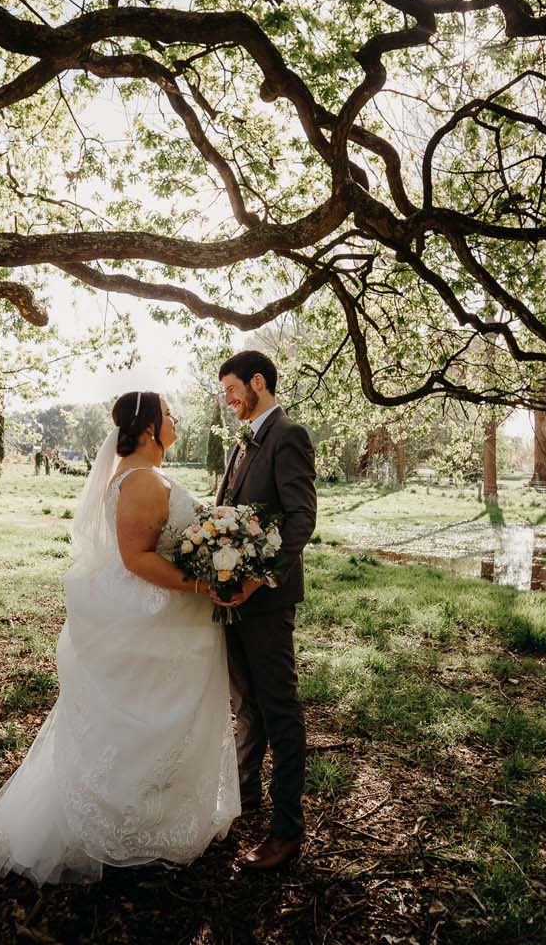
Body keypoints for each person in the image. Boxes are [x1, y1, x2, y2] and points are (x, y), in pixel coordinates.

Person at [0, 392, 239, 884]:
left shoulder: (144, 475)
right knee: (144, 721)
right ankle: (126, 824)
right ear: (151, 428)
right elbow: (136, 558)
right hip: (154, 620)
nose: (177, 418)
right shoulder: (139, 480)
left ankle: (155, 813)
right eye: (170, 413)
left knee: (161, 722)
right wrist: (206, 584)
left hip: (172, 618)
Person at [215, 350, 317, 871]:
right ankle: (245, 794)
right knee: (244, 703)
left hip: (267, 600)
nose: (228, 399)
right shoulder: (241, 443)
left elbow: (301, 520)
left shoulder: (288, 435)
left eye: (232, 388)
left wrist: (254, 582)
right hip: (233, 602)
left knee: (279, 711)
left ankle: (286, 833)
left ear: (259, 381)